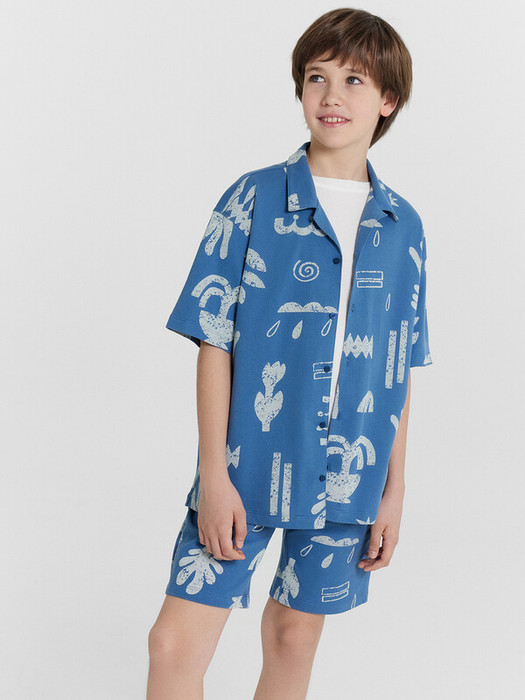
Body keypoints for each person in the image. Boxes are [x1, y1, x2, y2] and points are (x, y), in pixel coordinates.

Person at [147, 7, 432, 699]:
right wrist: (213, 475)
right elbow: (213, 342)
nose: (331, 95)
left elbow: (397, 367)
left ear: (388, 99)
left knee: (293, 637)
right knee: (174, 644)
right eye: (317, 77)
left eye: (354, 80)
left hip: (350, 478)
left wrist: (393, 490)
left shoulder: (404, 226)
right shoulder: (251, 198)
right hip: (247, 468)